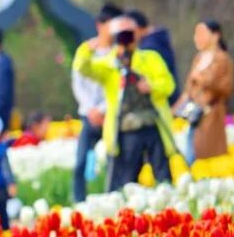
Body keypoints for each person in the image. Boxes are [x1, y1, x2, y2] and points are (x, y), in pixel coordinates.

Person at [74, 15, 176, 192]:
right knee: (126, 180)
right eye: (120, 35)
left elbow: (169, 85)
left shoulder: (150, 58)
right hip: (125, 129)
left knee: (163, 176)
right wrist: (88, 49)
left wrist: (151, 87)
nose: (125, 39)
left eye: (129, 34)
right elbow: (83, 68)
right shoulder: (109, 64)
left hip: (153, 124)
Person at [71, 3, 122, 201]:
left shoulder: (119, 52)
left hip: (109, 114)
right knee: (80, 162)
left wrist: (103, 110)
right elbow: (78, 83)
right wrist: (91, 109)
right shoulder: (86, 50)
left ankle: (113, 198)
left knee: (113, 158)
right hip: (88, 114)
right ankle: (79, 202)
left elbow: (119, 85)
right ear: (99, 25)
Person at [174, 21, 234, 163]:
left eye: (202, 33)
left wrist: (202, 79)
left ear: (215, 36)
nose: (197, 38)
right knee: (191, 154)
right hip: (193, 115)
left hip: (211, 114)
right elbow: (189, 88)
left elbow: (226, 88)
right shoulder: (199, 58)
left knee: (207, 157)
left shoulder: (222, 59)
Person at [127, 9, 180, 106]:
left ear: (137, 28)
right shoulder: (159, 41)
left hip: (161, 104)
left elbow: (164, 82)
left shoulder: (150, 49)